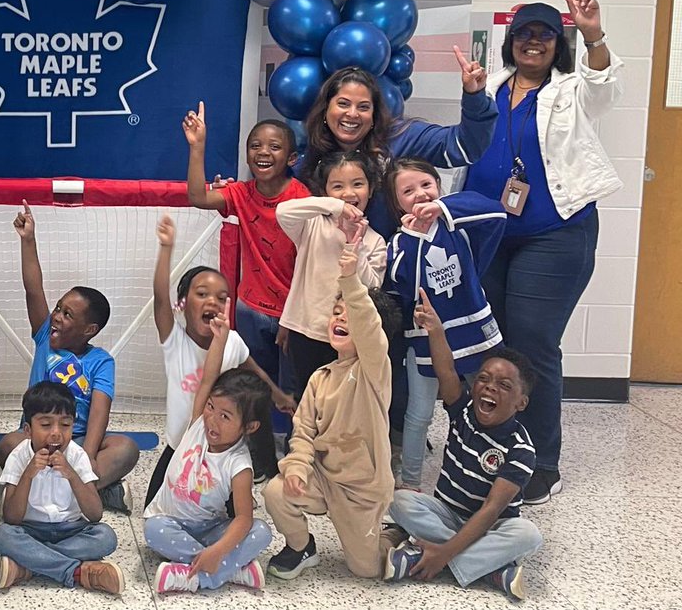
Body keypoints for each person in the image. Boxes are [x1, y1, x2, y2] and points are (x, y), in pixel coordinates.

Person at [465, 0, 622, 504]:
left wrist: (594, 33)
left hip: (555, 235)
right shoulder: (491, 89)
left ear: (559, 44)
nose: (534, 42)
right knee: (493, 344)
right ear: (511, 41)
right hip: (491, 234)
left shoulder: (571, 89)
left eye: (546, 36)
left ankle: (541, 462)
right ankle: (492, 447)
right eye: (525, 34)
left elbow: (604, 87)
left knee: (532, 345)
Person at [383, 291, 543, 602]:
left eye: (504, 385)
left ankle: (426, 557)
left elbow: (491, 510)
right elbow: (446, 371)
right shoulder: (464, 410)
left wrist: (443, 554)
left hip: (491, 525)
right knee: (398, 499)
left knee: (528, 535)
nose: (490, 387)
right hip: (447, 513)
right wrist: (436, 330)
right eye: (484, 379)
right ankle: (492, 570)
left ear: (521, 403)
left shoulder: (521, 449)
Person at [263, 230, 401, 581]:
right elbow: (304, 432)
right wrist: (295, 468)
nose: (341, 319)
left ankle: (395, 535)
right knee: (276, 491)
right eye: (336, 312)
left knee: (367, 570)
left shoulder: (373, 371)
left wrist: (350, 280)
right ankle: (301, 547)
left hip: (362, 490)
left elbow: (369, 327)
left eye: (349, 315)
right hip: (323, 478)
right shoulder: (320, 378)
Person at [183, 106, 310, 473]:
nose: (263, 152)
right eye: (255, 145)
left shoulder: (302, 200)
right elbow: (197, 197)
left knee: (291, 391)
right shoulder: (241, 193)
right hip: (251, 309)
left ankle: (295, 462)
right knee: (255, 389)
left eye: (274, 146)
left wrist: (292, 317)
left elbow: (309, 268)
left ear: (291, 157)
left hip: (292, 314)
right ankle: (261, 459)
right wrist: (197, 147)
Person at [0, 201, 140, 514]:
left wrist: (84, 459)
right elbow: (33, 289)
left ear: (89, 329)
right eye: (58, 308)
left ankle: (73, 488)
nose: (56, 316)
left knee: (126, 448)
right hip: (35, 435)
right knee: (6, 445)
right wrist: (28, 240)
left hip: (78, 438)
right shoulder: (46, 337)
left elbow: (99, 413)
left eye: (67, 314)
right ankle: (94, 491)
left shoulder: (101, 361)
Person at [144, 214, 295, 507]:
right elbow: (160, 297)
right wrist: (166, 248)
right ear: (183, 304)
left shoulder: (231, 341)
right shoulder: (176, 341)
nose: (212, 301)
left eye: (221, 296)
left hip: (221, 450)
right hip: (181, 445)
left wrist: (277, 395)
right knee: (156, 508)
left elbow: (252, 369)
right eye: (202, 294)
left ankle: (262, 471)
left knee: (223, 514)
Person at [386, 158, 507, 490]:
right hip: (424, 342)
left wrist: (442, 207)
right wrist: (414, 237)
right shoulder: (398, 243)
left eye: (426, 185)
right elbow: (405, 291)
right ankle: (410, 483)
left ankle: (489, 471)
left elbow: (496, 212)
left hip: (474, 334)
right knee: (419, 414)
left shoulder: (459, 225)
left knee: (486, 402)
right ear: (397, 203)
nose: (420, 194)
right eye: (407, 191)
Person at [145, 299, 273, 594]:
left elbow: (243, 519)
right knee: (153, 530)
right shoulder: (199, 425)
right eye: (212, 407)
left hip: (211, 528)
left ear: (250, 427)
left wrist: (218, 549)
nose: (212, 418)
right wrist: (221, 338)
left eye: (225, 416)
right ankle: (233, 570)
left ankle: (198, 575)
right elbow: (208, 380)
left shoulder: (239, 463)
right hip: (171, 522)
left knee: (261, 533)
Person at [300, 48, 496, 236]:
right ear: (326, 109)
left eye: (363, 106)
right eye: (343, 104)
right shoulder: (313, 155)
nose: (352, 114)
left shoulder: (404, 137)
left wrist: (474, 97)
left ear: (374, 114)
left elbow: (466, 146)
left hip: (394, 259)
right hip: (335, 260)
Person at [0, 382, 124, 595]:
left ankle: (29, 566)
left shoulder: (77, 455)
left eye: (65, 425)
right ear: (28, 430)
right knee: (2, 536)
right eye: (45, 425)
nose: (56, 434)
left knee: (106, 536)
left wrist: (71, 474)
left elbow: (95, 514)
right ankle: (77, 572)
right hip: (30, 530)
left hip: (71, 530)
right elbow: (12, 518)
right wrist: (28, 474)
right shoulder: (18, 456)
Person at [275, 151, 387, 400]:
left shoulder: (375, 241)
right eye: (338, 186)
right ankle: (302, 440)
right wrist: (335, 207)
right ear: (325, 192)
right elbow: (283, 211)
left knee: (342, 403)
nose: (349, 193)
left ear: (370, 189)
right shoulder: (313, 223)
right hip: (307, 331)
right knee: (306, 399)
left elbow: (372, 287)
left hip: (350, 337)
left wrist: (351, 244)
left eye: (358, 184)